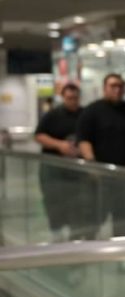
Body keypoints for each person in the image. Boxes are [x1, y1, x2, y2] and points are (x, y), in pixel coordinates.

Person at [77, 74, 125, 256]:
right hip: (100, 177)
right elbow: (84, 141)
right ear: (105, 88)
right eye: (112, 86)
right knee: (94, 217)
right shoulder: (91, 111)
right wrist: (92, 165)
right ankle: (87, 251)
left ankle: (123, 254)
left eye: (120, 86)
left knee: (123, 217)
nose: (117, 89)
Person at [34, 83, 85, 241]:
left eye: (75, 98)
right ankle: (56, 232)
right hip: (54, 169)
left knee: (77, 202)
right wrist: (59, 145)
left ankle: (75, 233)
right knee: (54, 200)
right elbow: (39, 136)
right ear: (63, 98)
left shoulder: (85, 115)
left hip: (77, 170)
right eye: (69, 98)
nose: (73, 101)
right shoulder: (53, 115)